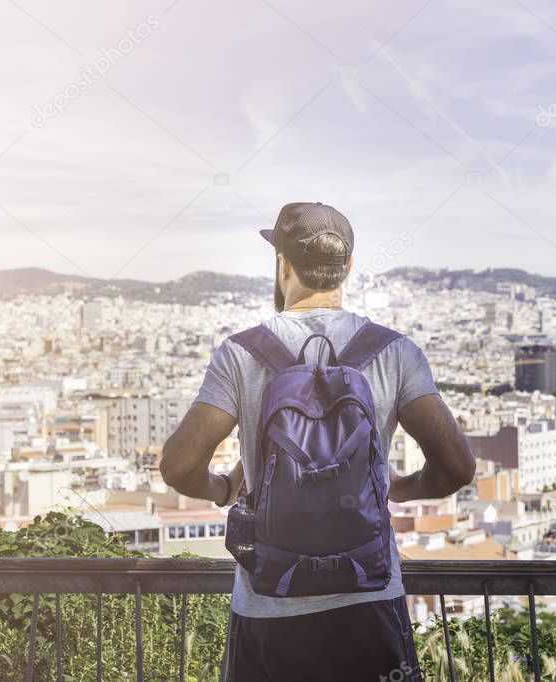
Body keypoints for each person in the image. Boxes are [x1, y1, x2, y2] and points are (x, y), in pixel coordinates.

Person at [161, 202, 476, 681]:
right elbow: (457, 467)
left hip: (270, 609)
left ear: (282, 264)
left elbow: (179, 466)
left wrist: (224, 488)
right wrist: (397, 487)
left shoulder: (241, 354)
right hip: (369, 601)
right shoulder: (395, 352)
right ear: (347, 267)